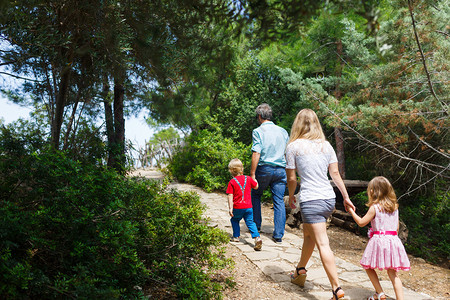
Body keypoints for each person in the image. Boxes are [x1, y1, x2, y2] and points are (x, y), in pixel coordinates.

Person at [286, 108, 355, 300]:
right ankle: (300, 271)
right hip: (327, 199)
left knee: (323, 244)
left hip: (311, 199)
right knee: (308, 234)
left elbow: (291, 178)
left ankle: (337, 289)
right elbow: (334, 175)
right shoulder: (326, 146)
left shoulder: (293, 146)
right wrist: (345, 196)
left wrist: (292, 195)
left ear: (297, 124)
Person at [348, 176, 410, 300]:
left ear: (373, 191)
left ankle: (380, 293)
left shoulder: (375, 208)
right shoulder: (395, 208)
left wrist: (351, 211)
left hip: (379, 241)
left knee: (368, 267)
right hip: (393, 241)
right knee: (393, 273)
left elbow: (361, 222)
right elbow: (396, 229)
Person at [250, 103, 289, 243]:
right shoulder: (283, 131)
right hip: (280, 170)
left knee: (255, 194)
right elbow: (287, 152)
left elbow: (256, 152)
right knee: (278, 201)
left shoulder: (258, 131)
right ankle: (278, 236)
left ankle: (256, 226)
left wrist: (252, 174)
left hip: (264, 169)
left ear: (259, 116)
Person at [226, 158, 262, 251]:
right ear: (241, 169)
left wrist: (230, 208)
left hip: (238, 207)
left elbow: (230, 196)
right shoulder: (248, 179)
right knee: (250, 222)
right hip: (248, 207)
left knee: (234, 220)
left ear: (231, 171)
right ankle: (257, 238)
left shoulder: (232, 182)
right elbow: (256, 187)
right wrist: (256, 180)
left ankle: (236, 237)